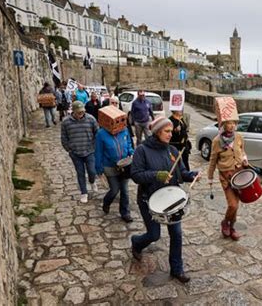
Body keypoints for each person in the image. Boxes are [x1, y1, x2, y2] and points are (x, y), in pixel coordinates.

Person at [130, 116, 199, 283]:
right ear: (157, 132)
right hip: (149, 199)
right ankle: (136, 243)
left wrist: (192, 175)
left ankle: (177, 269)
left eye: (170, 131)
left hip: (171, 200)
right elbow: (136, 175)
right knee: (154, 235)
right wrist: (157, 175)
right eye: (167, 131)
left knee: (176, 234)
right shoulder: (142, 150)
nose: (170, 134)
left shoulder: (173, 151)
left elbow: (181, 173)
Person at [207, 119, 248, 241]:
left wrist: (245, 159)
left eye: (233, 123)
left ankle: (232, 227)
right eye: (228, 123)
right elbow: (213, 161)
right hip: (226, 177)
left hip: (239, 174)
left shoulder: (239, 137)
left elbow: (243, 151)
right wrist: (210, 177)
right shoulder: (216, 141)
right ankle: (225, 222)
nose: (231, 126)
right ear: (223, 125)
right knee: (233, 204)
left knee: (236, 204)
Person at [95, 114, 134, 223]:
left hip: (124, 165)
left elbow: (129, 143)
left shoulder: (124, 130)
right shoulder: (101, 134)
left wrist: (131, 152)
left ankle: (125, 213)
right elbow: (98, 152)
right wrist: (98, 169)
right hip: (110, 167)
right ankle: (106, 202)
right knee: (114, 190)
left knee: (125, 191)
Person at [61, 101, 99, 203]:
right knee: (80, 173)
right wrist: (69, 149)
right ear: (73, 111)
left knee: (92, 171)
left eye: (82, 112)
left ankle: (92, 181)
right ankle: (84, 193)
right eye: (78, 112)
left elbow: (97, 133)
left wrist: (95, 146)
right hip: (75, 153)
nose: (80, 114)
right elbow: (64, 137)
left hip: (89, 151)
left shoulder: (91, 119)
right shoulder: (66, 122)